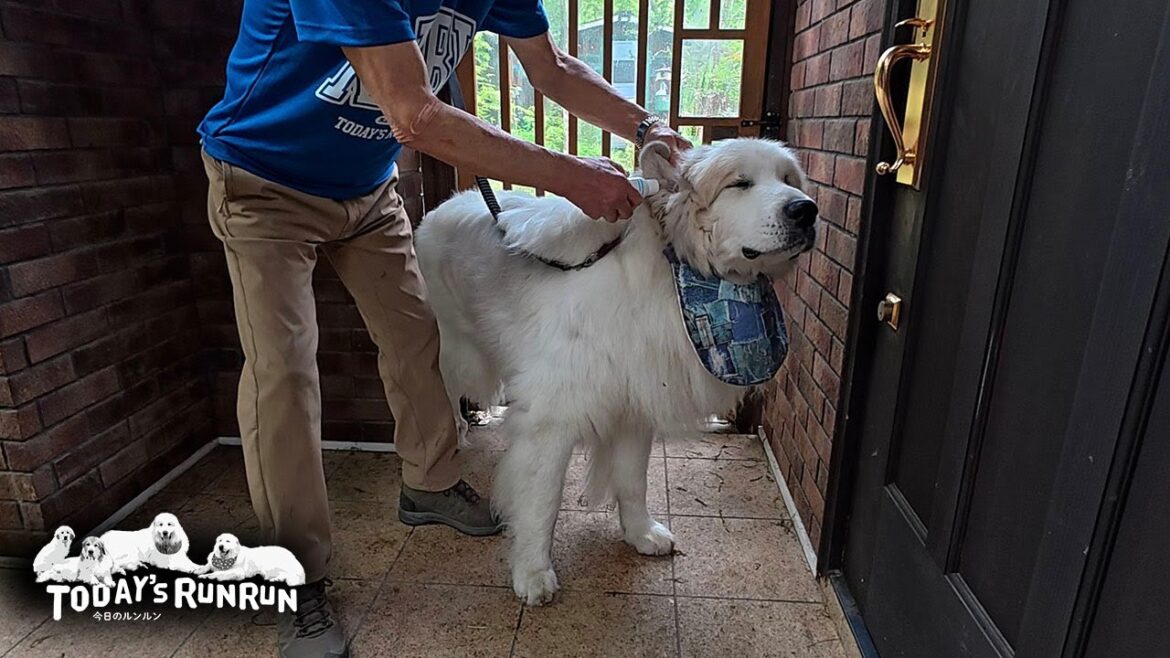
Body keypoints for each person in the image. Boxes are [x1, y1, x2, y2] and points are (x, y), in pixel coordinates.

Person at [198, 0, 690, 656]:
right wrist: (572, 176)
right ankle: (296, 577)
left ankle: (428, 485)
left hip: (367, 191)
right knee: (283, 370)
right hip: (262, 178)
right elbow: (414, 112)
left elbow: (553, 68)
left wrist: (654, 129)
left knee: (415, 340)